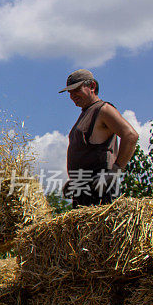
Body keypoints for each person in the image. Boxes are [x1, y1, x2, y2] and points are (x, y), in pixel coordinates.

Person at [60, 69, 138, 208]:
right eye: (70, 92)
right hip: (84, 189)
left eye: (76, 90)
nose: (72, 96)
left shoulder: (103, 110)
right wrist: (74, 182)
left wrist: (114, 172)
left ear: (92, 86)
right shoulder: (86, 113)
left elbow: (131, 136)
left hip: (100, 187)